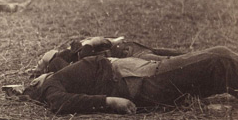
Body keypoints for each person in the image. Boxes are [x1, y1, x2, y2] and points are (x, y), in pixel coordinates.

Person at [21, 46, 238, 114]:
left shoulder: (61, 69)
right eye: (38, 71)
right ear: (34, 85)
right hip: (143, 81)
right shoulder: (49, 85)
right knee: (221, 58)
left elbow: (62, 56)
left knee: (215, 66)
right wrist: (109, 101)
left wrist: (53, 56)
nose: (41, 68)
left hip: (143, 69)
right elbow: (60, 103)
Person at [32, 36, 185, 75]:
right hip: (132, 57)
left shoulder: (75, 50)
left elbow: (102, 41)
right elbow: (86, 61)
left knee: (178, 55)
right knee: (174, 62)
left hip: (129, 48)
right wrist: (90, 43)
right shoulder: (75, 62)